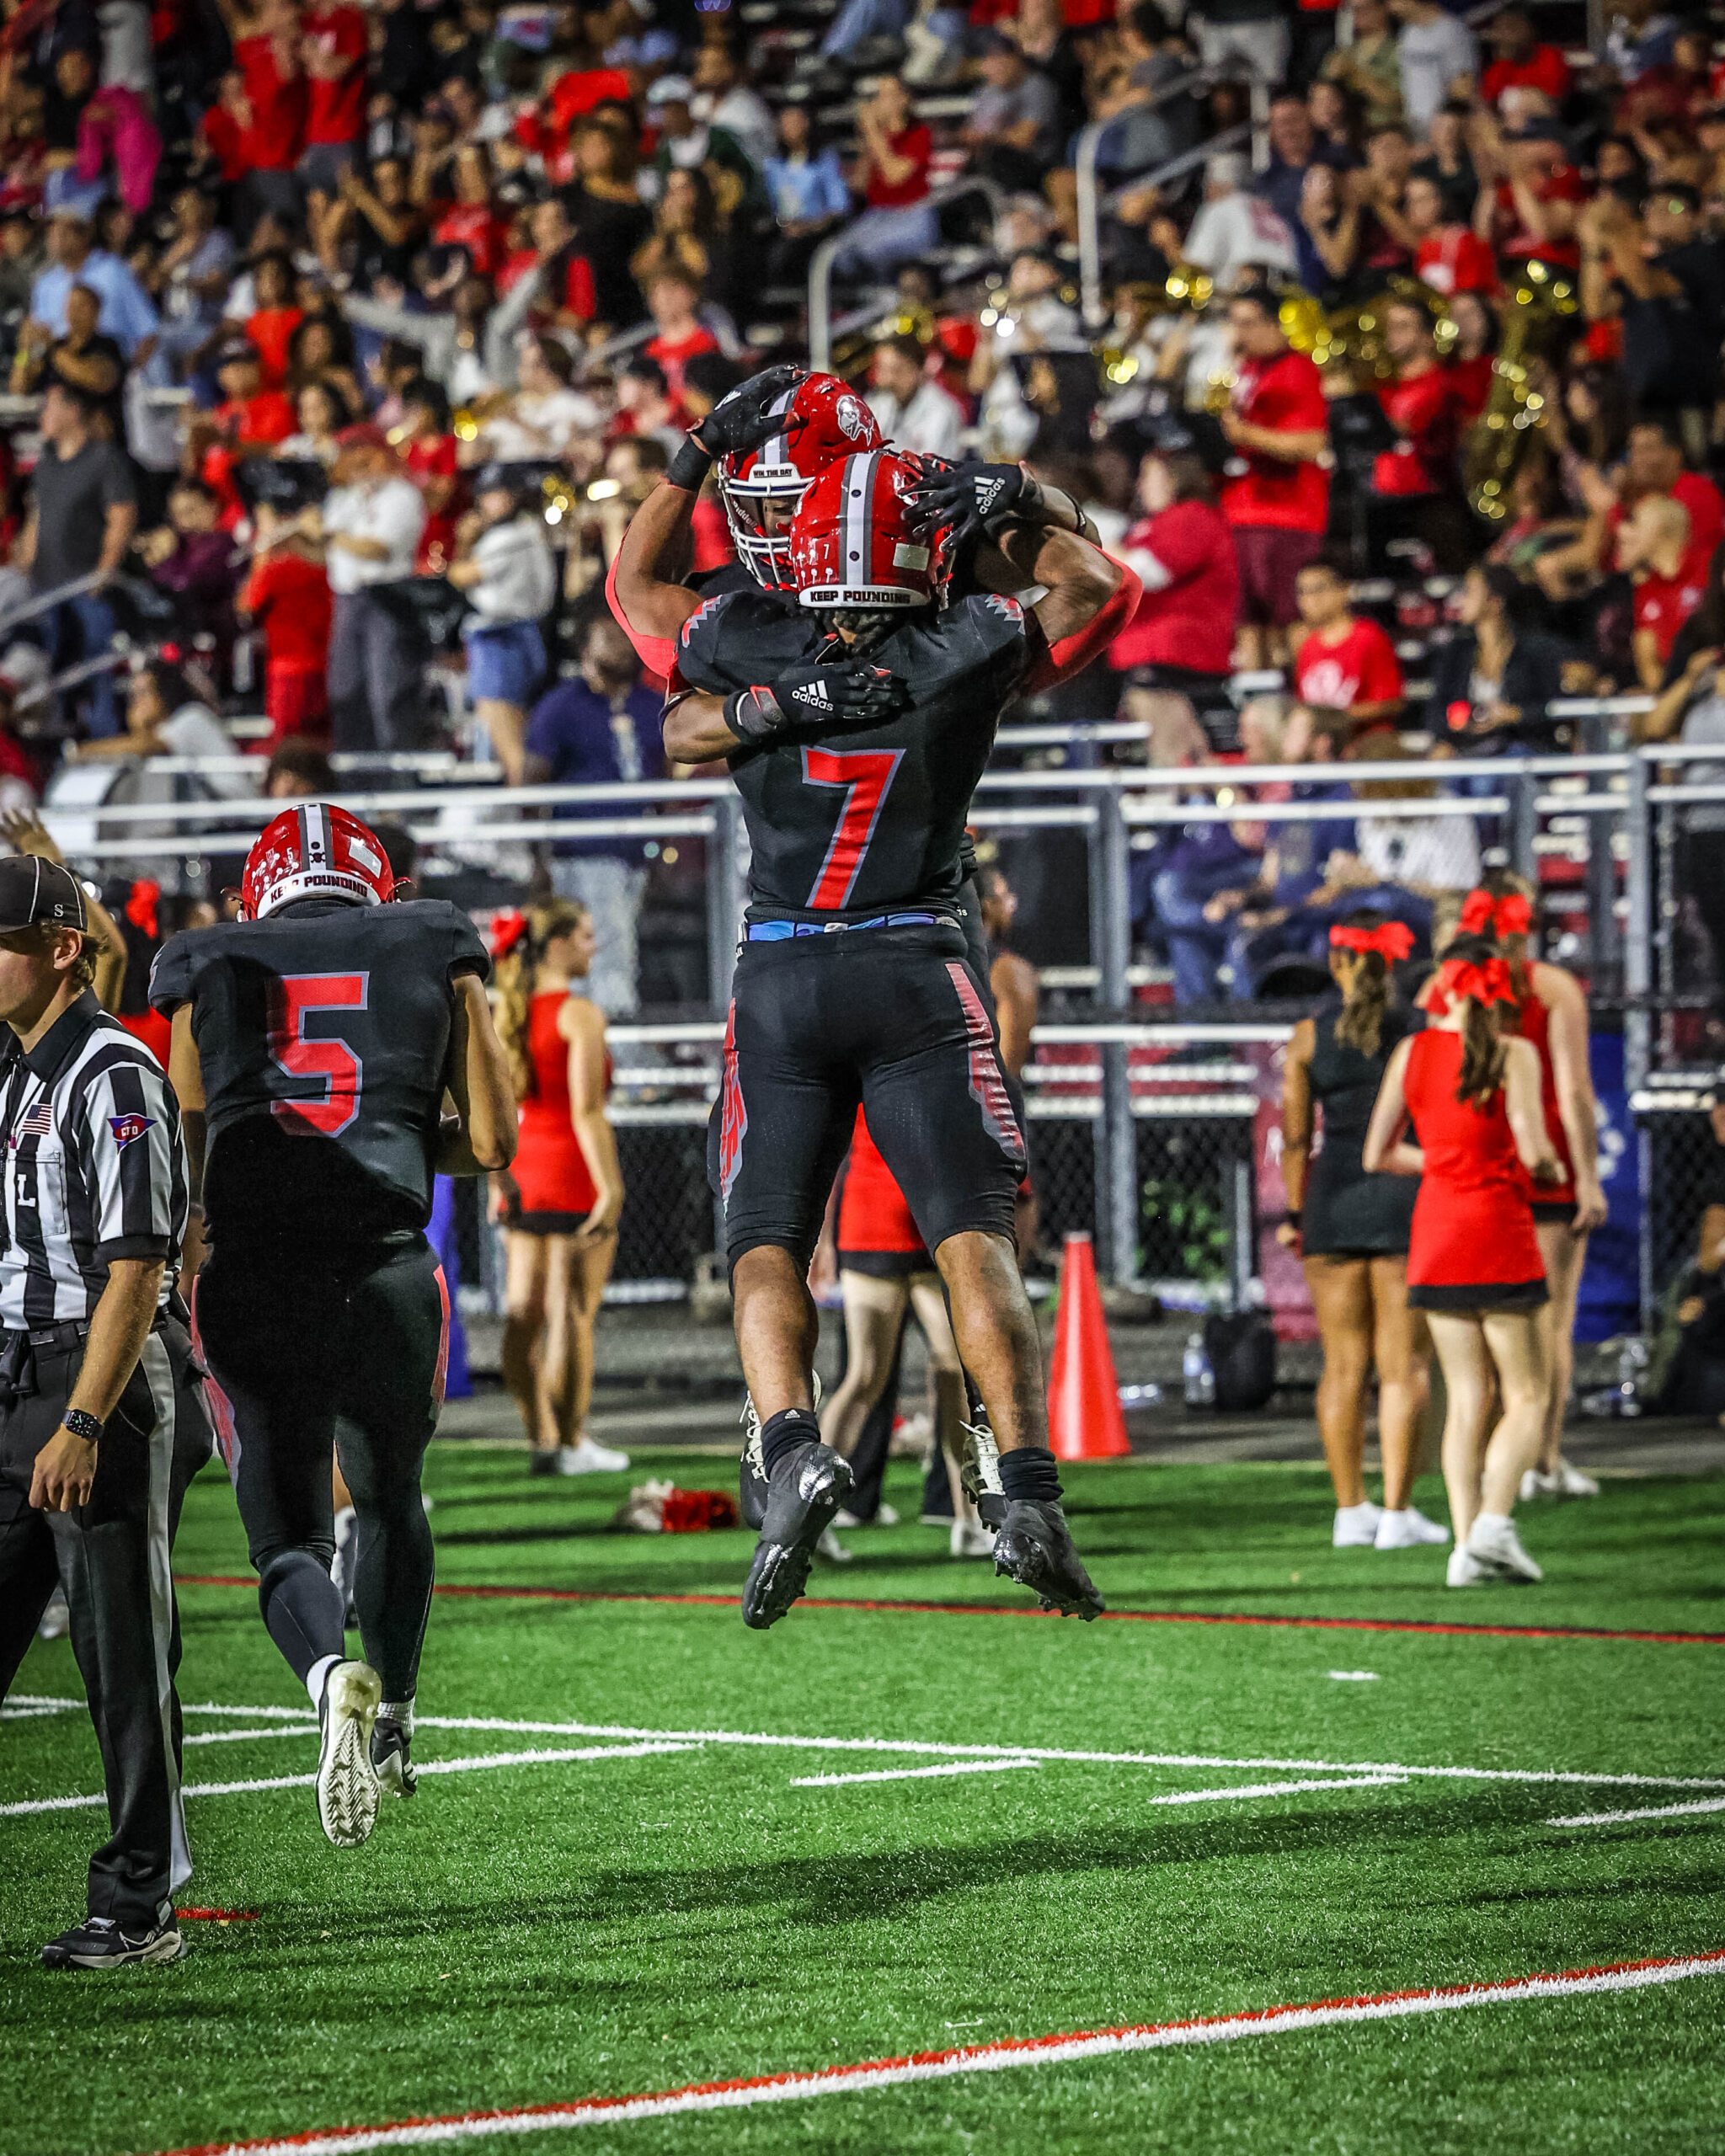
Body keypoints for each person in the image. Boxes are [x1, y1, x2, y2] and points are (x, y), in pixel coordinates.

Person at [656, 402, 1134, 1626]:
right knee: (975, 1241)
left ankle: (790, 1445)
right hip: (917, 961)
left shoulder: (741, 633)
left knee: (767, 1239)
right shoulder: (969, 639)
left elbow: (653, 650)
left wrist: (697, 460)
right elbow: (1099, 585)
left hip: (781, 970)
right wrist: (1019, 493)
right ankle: (1023, 1492)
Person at [151, 804, 517, 1847]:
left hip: (257, 1273)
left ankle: (326, 1675)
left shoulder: (204, 959)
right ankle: (395, 1712)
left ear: (251, 898)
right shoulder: (430, 935)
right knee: (391, 1497)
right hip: (386, 1270)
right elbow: (492, 1140)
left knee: (285, 1541)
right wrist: (382, 1131)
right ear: (378, 889)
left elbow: (187, 1159)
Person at [0, 855, 211, 1970]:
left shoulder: (113, 1071)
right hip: (15, 1374)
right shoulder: (18, 1069)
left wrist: (82, 1423)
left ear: (61, 949)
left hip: (100, 1382)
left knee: (123, 1655)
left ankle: (138, 1906)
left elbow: (137, 1268)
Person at [1363, 933, 1557, 1585]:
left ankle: (1464, 1551)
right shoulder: (1514, 1052)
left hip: (1437, 1234)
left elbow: (1378, 1153)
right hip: (1498, 1230)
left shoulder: (1412, 1050)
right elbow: (1533, 1149)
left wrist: (1445, 1161)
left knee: (1468, 1395)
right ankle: (1493, 1525)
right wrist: (1554, 1170)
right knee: (1527, 1394)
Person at [1279, 915, 1445, 1551]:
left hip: (1332, 1203)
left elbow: (1297, 1139)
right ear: (1393, 962)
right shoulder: (1422, 1031)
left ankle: (1351, 1510)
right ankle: (1398, 1514)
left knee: (1343, 1366)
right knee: (1403, 1367)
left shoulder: (1307, 1036)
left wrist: (1296, 1214)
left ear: (1336, 962)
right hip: (1405, 1199)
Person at [1451, 878, 1608, 1502]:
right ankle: (1539, 1461)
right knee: (1550, 1324)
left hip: (1476, 1171)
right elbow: (1574, 1091)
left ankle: (1489, 1465)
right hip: (1544, 1173)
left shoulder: (1450, 988)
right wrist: (1587, 1177)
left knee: (1479, 1335)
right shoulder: (1553, 989)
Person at [490, 901, 627, 1479]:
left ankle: (541, 1436)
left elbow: (493, 1110)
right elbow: (587, 1112)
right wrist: (611, 1188)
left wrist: (498, 1181)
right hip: (574, 1174)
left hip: (522, 1175)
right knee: (572, 1314)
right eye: (586, 936)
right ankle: (571, 1443)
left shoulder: (506, 1014)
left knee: (523, 1315)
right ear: (557, 945)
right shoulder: (579, 1015)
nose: (594, 947)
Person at [522, 618, 665, 1017]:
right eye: (609, 637)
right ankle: (613, 1041)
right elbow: (531, 781)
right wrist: (536, 855)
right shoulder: (562, 705)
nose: (621, 645)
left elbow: (663, 778)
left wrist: (661, 847)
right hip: (585, 851)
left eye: (625, 635)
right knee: (605, 950)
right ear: (586, 649)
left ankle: (591, 1036)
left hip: (635, 852)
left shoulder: (650, 704)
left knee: (614, 945)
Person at [1112, 414, 1239, 761]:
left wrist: (1100, 551)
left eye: (1148, 476)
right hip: (1152, 653)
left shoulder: (1191, 517)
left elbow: (1147, 572)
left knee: (1175, 755)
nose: (1140, 485)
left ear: (1174, 477)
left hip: (1178, 655)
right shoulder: (1153, 524)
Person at [17, 382, 137, 740]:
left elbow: (121, 516)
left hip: (87, 588)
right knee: (51, 670)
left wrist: (104, 572)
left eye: (49, 407)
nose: (42, 416)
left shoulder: (104, 459)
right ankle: (58, 739)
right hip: (46, 589)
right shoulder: (46, 465)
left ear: (72, 410)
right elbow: (36, 520)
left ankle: (103, 740)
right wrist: (24, 567)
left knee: (94, 668)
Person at [1220, 292, 1332, 671]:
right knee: (1249, 625)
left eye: (1248, 323)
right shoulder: (1244, 370)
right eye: (1234, 323)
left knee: (1292, 622)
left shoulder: (1296, 369)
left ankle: (1306, 695)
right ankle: (1257, 704)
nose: (1239, 334)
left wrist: (1245, 435)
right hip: (1242, 512)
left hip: (1288, 515)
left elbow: (1312, 443)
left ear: (1275, 325)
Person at [312, 421, 428, 753]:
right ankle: (354, 771)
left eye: (361, 453)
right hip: (347, 599)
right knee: (345, 688)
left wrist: (326, 534)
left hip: (387, 597)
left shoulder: (402, 495)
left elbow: (378, 550)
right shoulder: (344, 497)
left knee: (389, 689)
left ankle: (399, 773)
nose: (355, 462)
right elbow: (325, 553)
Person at [446, 467, 557, 786]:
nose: (486, 503)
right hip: (520, 635)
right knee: (515, 743)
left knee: (511, 749)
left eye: (495, 494)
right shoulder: (528, 529)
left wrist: (464, 539)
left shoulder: (511, 534)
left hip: (502, 638)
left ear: (515, 496)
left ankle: (526, 811)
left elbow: (461, 575)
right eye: (484, 495)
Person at [1290, 560, 1405, 737]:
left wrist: (1338, 718)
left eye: (1318, 590)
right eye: (1302, 592)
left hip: (1366, 740)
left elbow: (1392, 702)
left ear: (1343, 590)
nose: (1310, 600)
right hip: (1321, 743)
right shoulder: (1306, 646)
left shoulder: (1368, 637)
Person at [867, 334, 965, 462]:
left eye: (897, 371)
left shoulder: (941, 412)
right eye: (882, 370)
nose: (887, 380)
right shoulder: (880, 403)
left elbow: (928, 467)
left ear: (917, 370)